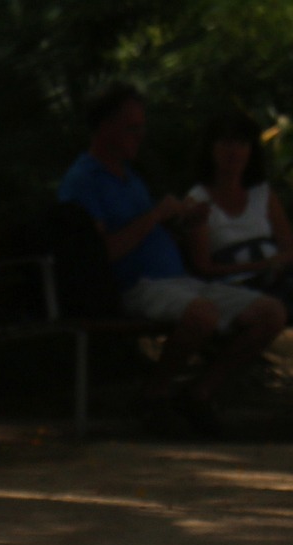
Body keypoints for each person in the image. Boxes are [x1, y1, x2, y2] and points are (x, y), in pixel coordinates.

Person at [58, 82, 286, 431]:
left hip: (178, 281)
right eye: (131, 128)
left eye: (141, 127)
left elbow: (151, 233)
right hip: (137, 285)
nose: (140, 136)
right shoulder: (83, 181)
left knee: (270, 312)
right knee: (202, 315)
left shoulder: (130, 178)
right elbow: (99, 254)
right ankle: (153, 395)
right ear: (105, 128)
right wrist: (154, 216)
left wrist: (181, 225)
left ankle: (199, 394)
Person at [185, 111, 293, 312]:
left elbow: (288, 247)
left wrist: (276, 265)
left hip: (279, 282)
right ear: (211, 149)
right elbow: (203, 267)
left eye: (242, 144)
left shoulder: (262, 193)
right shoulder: (197, 200)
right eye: (226, 143)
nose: (234, 152)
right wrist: (257, 267)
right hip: (230, 290)